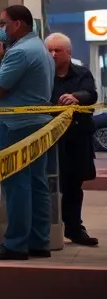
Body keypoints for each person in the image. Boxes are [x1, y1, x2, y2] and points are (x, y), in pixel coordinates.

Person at [0, 5, 56, 261]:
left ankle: (15, 244)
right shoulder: (39, 48)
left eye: (3, 23)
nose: (1, 29)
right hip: (38, 124)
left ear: (17, 24)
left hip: (16, 126)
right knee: (37, 183)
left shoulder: (18, 52)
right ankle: (38, 241)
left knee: (15, 184)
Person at [44, 33, 99, 247]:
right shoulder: (42, 76)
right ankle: (47, 230)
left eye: (58, 50)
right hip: (50, 139)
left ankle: (75, 229)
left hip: (77, 139)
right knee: (48, 185)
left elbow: (90, 94)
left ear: (69, 52)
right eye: (49, 50)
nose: (53, 54)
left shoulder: (82, 73)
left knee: (74, 185)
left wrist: (77, 98)